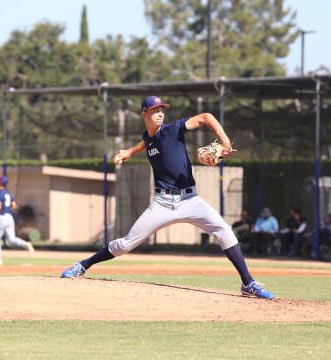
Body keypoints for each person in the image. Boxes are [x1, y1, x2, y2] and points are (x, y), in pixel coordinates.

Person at [60, 95, 274, 299]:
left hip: (191, 201)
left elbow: (205, 117)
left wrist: (224, 140)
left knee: (225, 231)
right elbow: (147, 142)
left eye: (162, 109)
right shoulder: (148, 137)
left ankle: (248, 283)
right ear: (144, 114)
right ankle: (83, 264)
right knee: (126, 244)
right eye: (155, 110)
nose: (160, 113)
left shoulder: (173, 130)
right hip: (162, 203)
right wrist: (129, 153)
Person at [0, 175, 35, 265]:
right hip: (9, 217)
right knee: (12, 239)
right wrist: (7, 209)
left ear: (0, 183)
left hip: (1, 217)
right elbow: (14, 205)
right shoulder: (8, 194)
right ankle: (26, 244)